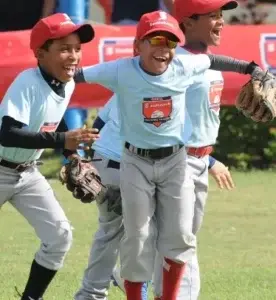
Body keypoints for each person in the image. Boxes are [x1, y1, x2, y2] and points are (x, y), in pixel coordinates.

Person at [73, 9, 274, 300]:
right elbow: (81, 89)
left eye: (168, 42)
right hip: (123, 160)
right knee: (127, 235)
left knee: (172, 236)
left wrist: (252, 68)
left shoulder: (182, 67)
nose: (162, 47)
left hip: (173, 161)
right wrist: (76, 152)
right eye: (154, 39)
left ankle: (143, 289)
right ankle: (95, 293)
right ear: (138, 45)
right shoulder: (126, 72)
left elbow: (214, 62)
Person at [0, 13, 98, 300]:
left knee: (59, 236)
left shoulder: (66, 83)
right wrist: (61, 141)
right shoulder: (27, 82)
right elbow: (7, 133)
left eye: (77, 48)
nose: (74, 56)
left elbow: (55, 122)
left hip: (27, 173)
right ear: (41, 53)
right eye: (64, 48)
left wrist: (70, 155)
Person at [152, 0, 237, 299]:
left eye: (221, 15)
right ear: (187, 23)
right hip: (177, 163)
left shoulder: (209, 61)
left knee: (180, 241)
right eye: (212, 15)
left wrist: (209, 160)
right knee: (181, 242)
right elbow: (159, 120)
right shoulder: (176, 64)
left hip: (198, 162)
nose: (221, 21)